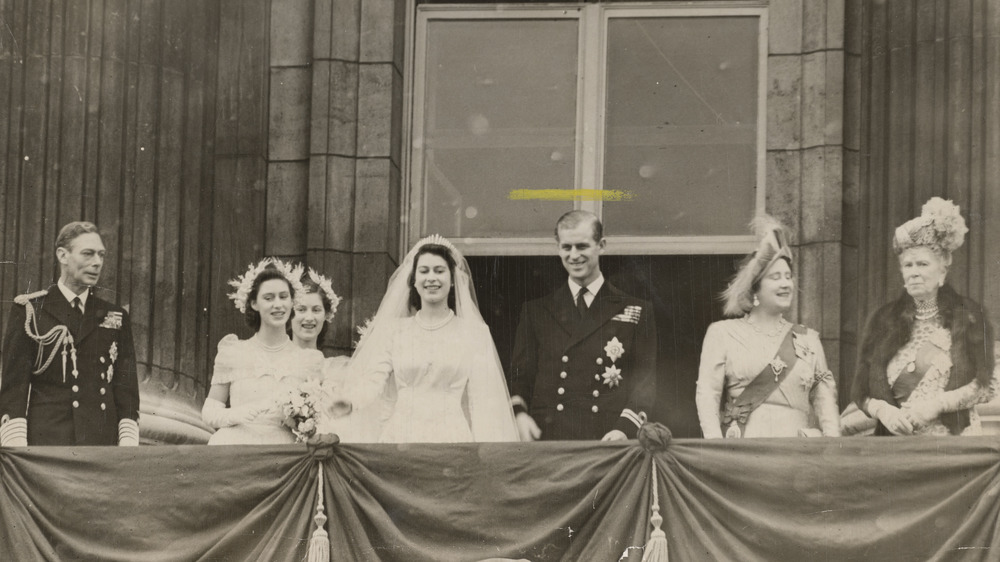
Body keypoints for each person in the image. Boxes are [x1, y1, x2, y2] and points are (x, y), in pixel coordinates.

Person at [327, 235, 519, 443]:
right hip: (401, 436)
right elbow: (373, 379)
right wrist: (351, 401)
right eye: (424, 271)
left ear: (453, 279)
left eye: (439, 270)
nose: (431, 278)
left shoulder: (474, 333)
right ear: (414, 280)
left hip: (451, 438)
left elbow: (483, 400)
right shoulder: (395, 331)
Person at [851, 197, 999, 436]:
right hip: (894, 445)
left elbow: (986, 386)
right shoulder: (883, 321)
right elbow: (862, 392)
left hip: (951, 443)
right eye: (908, 266)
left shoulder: (969, 318)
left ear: (943, 269)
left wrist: (938, 405)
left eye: (922, 264)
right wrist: (882, 411)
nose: (914, 273)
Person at [510, 210, 658, 441]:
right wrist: (519, 415)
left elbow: (644, 381)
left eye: (582, 246)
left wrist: (624, 429)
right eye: (566, 247)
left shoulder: (636, 310)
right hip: (549, 436)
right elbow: (521, 377)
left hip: (607, 437)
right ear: (557, 248)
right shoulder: (536, 311)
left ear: (602, 245)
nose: (574, 255)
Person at [695, 216, 840, 438]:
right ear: (755, 290)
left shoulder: (808, 339)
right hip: (744, 450)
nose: (785, 284)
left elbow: (825, 402)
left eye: (788, 277)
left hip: (797, 454)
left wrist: (832, 450)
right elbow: (707, 394)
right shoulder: (722, 333)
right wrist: (717, 448)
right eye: (775, 277)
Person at [0, 221, 140, 446]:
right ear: (63, 255)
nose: (97, 263)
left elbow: (127, 390)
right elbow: (14, 388)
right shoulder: (30, 310)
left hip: (102, 446)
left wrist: (127, 448)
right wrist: (18, 451)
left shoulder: (115, 315)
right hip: (48, 446)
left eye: (101, 255)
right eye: (88, 254)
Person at [201, 258, 323, 445]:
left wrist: (296, 420)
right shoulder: (233, 352)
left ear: (292, 302)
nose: (278, 305)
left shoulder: (309, 361)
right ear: (254, 304)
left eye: (284, 297)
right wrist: (237, 414)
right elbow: (209, 411)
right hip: (236, 446)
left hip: (286, 452)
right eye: (268, 298)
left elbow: (319, 419)